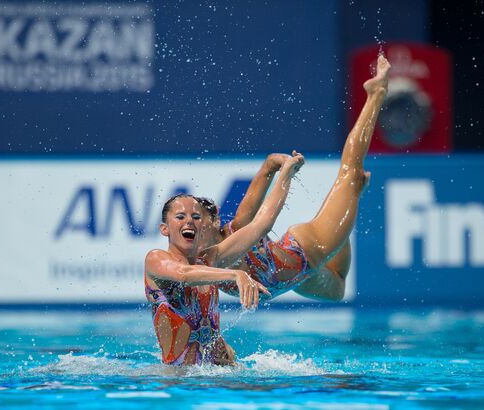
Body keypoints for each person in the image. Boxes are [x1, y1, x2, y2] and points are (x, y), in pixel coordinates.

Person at [198, 54, 391, 302]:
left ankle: (376, 94)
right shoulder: (199, 266)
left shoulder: (239, 228)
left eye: (196, 218)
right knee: (338, 292)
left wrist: (276, 167)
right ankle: (347, 197)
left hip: (306, 252)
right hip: (295, 279)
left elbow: (266, 175)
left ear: (214, 221)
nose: (191, 225)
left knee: (351, 175)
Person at [144, 154, 305, 366]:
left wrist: (286, 174)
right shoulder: (155, 259)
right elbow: (184, 274)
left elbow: (260, 225)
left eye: (196, 216)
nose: (189, 221)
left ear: (203, 226)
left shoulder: (210, 259)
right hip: (177, 382)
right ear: (164, 229)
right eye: (180, 217)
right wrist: (235, 273)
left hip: (214, 377)